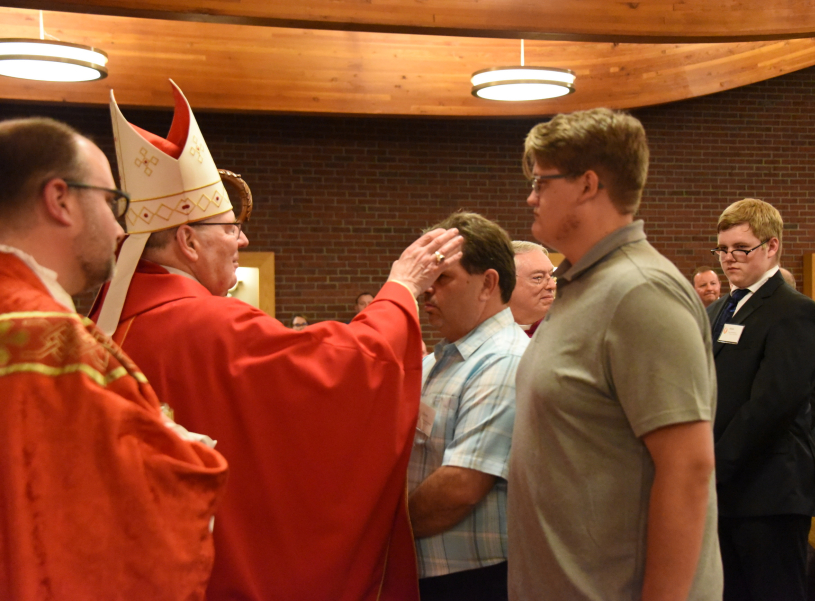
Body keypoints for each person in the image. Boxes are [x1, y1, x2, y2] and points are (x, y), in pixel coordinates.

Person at [89, 82, 465, 601]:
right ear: (188, 240)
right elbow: (348, 370)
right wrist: (400, 288)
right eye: (231, 227)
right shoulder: (208, 326)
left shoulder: (109, 325)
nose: (242, 239)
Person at [0, 117, 228, 600]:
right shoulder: (54, 340)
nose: (121, 228)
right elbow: (123, 518)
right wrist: (187, 452)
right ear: (59, 200)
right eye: (111, 203)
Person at [508, 108, 722, 601]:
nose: (531, 196)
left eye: (542, 182)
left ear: (587, 185)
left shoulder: (641, 292)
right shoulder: (582, 286)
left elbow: (688, 468)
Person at [708, 198, 815, 601]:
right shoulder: (716, 310)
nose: (728, 258)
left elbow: (774, 403)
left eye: (741, 248)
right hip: (722, 489)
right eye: (722, 249)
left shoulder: (794, 310)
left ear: (772, 246)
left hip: (768, 490)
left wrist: (713, 464)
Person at [409, 212, 529, 601]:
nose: (427, 291)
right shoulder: (437, 362)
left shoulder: (506, 360)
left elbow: (460, 488)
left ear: (488, 283)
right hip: (435, 573)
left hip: (474, 580)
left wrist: (380, 527)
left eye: (442, 278)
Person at [508, 240, 556, 337]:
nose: (552, 285)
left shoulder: (568, 330)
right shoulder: (481, 334)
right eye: (538, 277)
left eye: (551, 275)